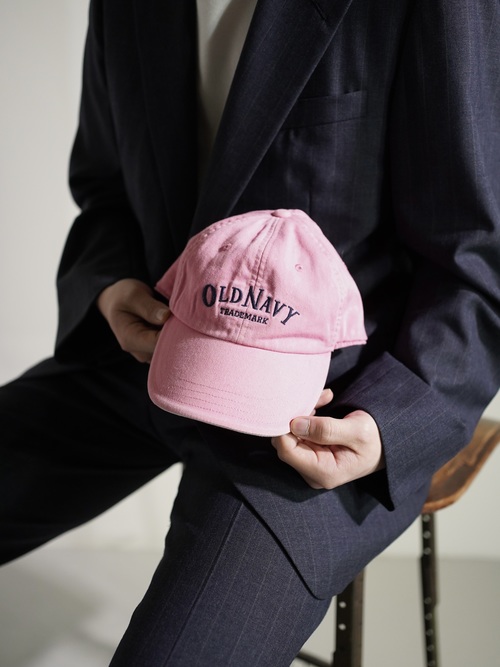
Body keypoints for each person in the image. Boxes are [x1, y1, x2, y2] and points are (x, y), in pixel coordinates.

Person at [2, 1, 500, 665]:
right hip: (151, 351)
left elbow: (475, 254)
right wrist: (110, 283)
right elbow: (106, 189)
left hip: (320, 408)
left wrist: (395, 417)